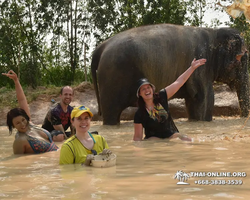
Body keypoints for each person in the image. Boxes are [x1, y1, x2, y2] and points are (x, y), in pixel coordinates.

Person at [133, 58, 207, 141]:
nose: (147, 90)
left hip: (171, 135)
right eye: (143, 89)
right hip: (153, 139)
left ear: (152, 89)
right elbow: (137, 137)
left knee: (186, 139)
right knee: (153, 141)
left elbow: (179, 82)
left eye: (148, 87)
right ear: (139, 94)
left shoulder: (162, 96)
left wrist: (192, 68)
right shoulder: (139, 114)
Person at [2, 70, 58, 154]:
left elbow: (22, 100)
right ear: (13, 126)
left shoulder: (30, 124)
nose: (22, 124)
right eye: (17, 123)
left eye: (23, 120)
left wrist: (16, 81)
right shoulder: (20, 141)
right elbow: (19, 162)